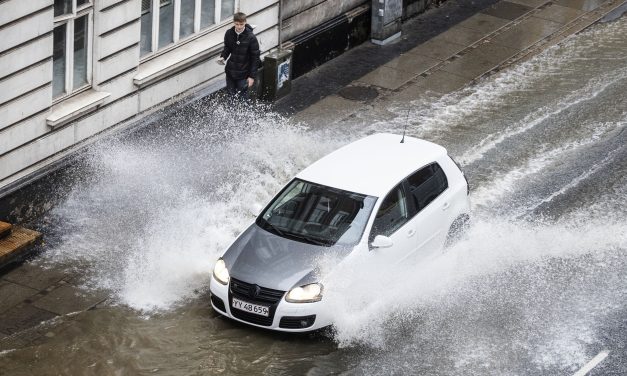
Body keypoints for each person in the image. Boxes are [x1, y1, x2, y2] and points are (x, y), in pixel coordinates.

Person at [218, 12, 260, 100]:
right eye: (237, 24)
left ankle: (243, 113)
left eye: (241, 24)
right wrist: (223, 57)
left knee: (242, 97)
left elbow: (255, 58)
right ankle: (231, 113)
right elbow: (227, 48)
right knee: (230, 96)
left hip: (243, 73)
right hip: (230, 71)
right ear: (234, 23)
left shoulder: (251, 37)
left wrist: (252, 76)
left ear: (245, 22)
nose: (239, 27)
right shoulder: (229, 33)